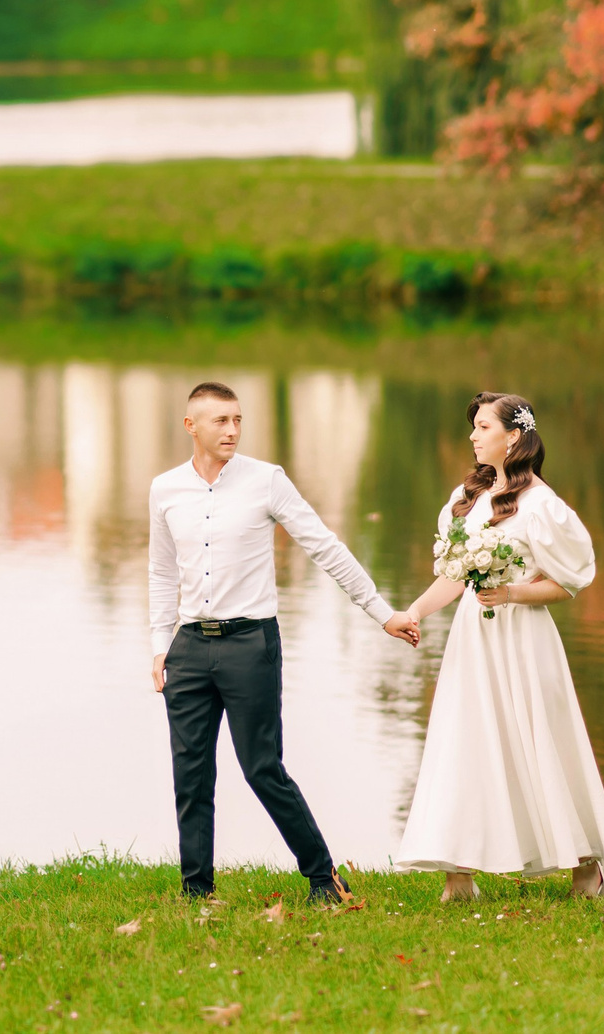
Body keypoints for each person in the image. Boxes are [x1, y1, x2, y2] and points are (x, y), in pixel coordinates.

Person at [148, 380, 421, 904]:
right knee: (191, 772)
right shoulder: (165, 489)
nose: (232, 430)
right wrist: (160, 644)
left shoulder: (266, 481)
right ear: (191, 426)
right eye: (220, 421)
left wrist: (381, 613)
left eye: (237, 420)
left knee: (262, 768)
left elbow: (325, 547)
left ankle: (324, 878)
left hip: (250, 645)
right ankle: (196, 892)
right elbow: (162, 571)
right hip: (188, 647)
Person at [394, 390, 604, 902]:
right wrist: (412, 612)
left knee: (542, 741)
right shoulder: (467, 500)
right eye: (474, 427)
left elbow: (567, 583)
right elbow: (456, 578)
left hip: (524, 639)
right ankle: (459, 876)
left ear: (513, 436)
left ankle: (585, 866)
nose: (473, 436)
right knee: (465, 740)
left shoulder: (542, 506)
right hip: (473, 640)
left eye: (482, 427)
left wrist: (512, 592)